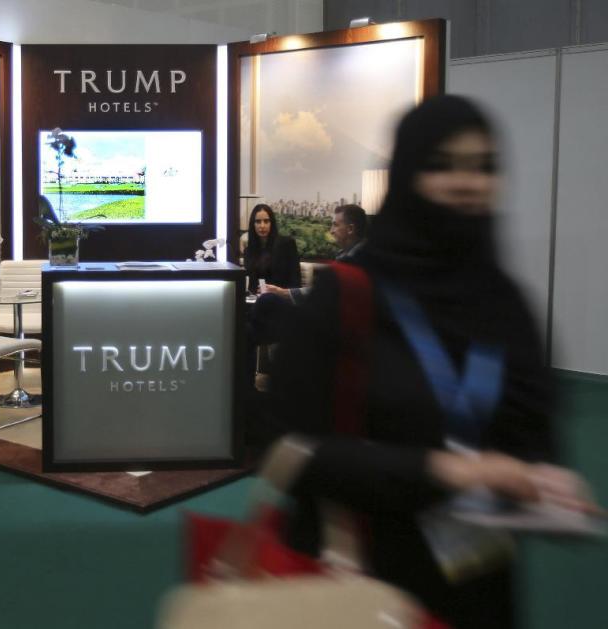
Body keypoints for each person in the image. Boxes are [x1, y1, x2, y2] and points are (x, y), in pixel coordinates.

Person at [262, 95, 597, 628]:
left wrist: (542, 480)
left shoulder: (503, 301)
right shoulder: (346, 294)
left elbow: (531, 431)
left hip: (477, 583)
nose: (467, 183)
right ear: (411, 173)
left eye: (483, 167)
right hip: (359, 580)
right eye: (443, 165)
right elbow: (287, 448)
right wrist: (445, 471)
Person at [244, 203, 301, 294]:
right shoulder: (248, 251)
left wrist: (282, 293)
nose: (262, 226)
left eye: (266, 221)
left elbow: (295, 282)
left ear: (272, 223)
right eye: (258, 222)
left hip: (282, 300)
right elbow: (250, 284)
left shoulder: (287, 244)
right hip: (257, 301)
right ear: (253, 225)